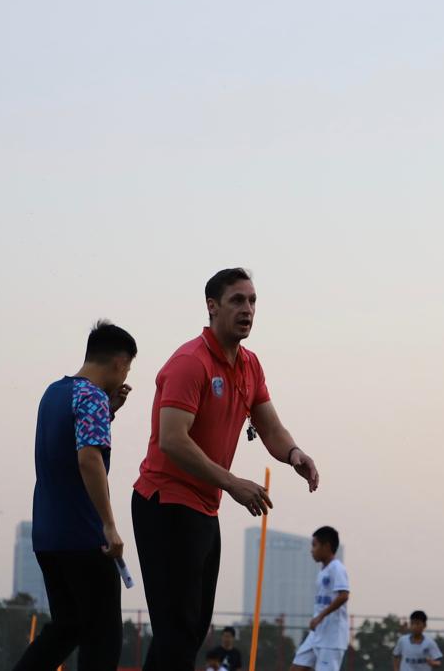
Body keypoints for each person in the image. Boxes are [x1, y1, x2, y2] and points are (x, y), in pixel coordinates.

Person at [133, 268, 320, 670]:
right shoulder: (190, 362)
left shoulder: (249, 365)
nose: (247, 309)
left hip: (204, 507)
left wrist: (294, 454)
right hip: (164, 503)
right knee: (177, 627)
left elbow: (270, 426)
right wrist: (233, 482)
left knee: (192, 628)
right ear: (212, 307)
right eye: (237, 300)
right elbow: (172, 438)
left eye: (252, 301)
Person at [13, 321, 137, 671]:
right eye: (127, 367)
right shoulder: (91, 397)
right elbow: (88, 458)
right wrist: (110, 525)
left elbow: (64, 447)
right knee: (103, 638)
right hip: (84, 537)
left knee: (67, 628)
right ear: (118, 363)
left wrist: (109, 412)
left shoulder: (54, 392)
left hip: (48, 537)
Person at [291, 527, 350, 671]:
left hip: (332, 639)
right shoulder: (323, 571)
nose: (312, 550)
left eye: (314, 545)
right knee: (296, 667)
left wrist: (320, 617)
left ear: (327, 546)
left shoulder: (337, 568)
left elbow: (344, 595)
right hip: (317, 634)